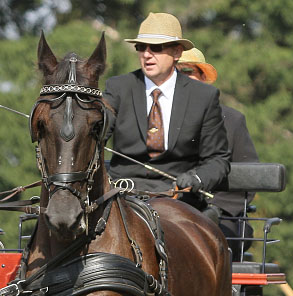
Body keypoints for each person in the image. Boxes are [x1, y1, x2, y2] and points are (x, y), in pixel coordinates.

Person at [103, 13, 231, 209]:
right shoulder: (118, 88)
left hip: (181, 202)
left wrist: (197, 178)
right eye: (141, 47)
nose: (146, 54)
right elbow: (94, 137)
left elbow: (218, 159)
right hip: (122, 198)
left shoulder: (204, 96)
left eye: (155, 48)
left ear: (177, 52)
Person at [175, 48, 259, 259]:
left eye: (186, 71)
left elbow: (249, 178)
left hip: (221, 216)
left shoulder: (232, 121)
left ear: (203, 78)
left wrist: (216, 209)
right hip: (165, 210)